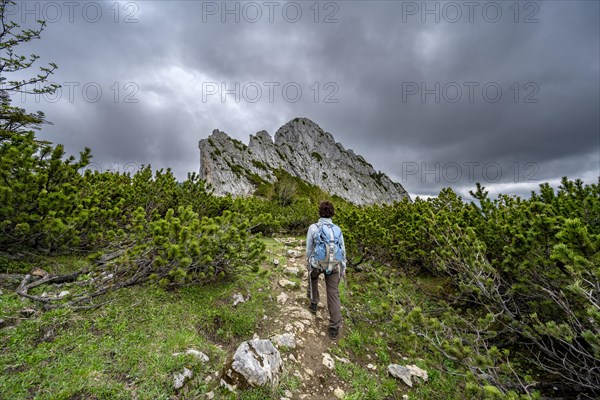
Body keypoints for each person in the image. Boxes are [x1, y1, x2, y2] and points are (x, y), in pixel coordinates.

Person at [305, 201, 346, 339]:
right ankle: (334, 327)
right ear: (332, 213)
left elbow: (309, 249)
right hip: (334, 265)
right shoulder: (338, 229)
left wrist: (309, 261)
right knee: (333, 293)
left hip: (318, 263)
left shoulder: (313, 228)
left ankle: (314, 303)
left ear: (320, 212)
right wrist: (343, 267)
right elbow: (343, 250)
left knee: (313, 277)